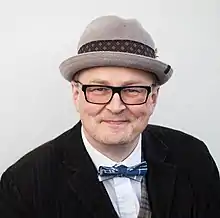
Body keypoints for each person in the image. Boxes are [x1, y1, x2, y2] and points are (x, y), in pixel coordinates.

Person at [0, 15, 219, 218]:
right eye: (98, 89)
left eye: (132, 90)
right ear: (76, 95)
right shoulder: (23, 184)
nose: (116, 107)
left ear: (153, 97)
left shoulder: (194, 158)